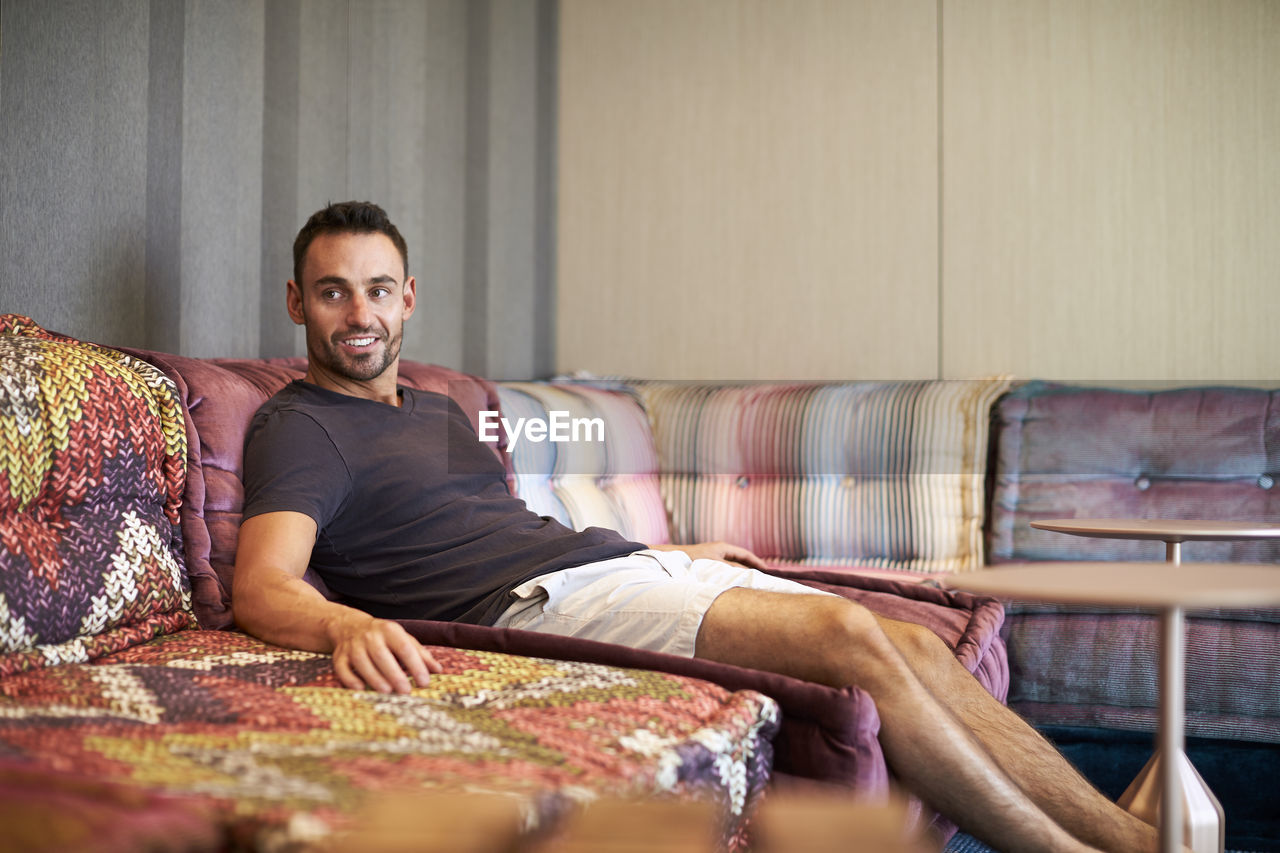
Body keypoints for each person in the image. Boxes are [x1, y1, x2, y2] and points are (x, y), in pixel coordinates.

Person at [234, 201, 1164, 853]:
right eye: (333, 292)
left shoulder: (436, 413)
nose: (359, 314)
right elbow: (263, 584)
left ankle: (1129, 837)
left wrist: (663, 553)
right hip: (530, 610)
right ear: (295, 302)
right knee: (845, 634)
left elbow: (508, 523)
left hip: (605, 570)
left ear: (408, 297)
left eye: (377, 289)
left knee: (908, 644)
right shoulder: (300, 425)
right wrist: (347, 622)